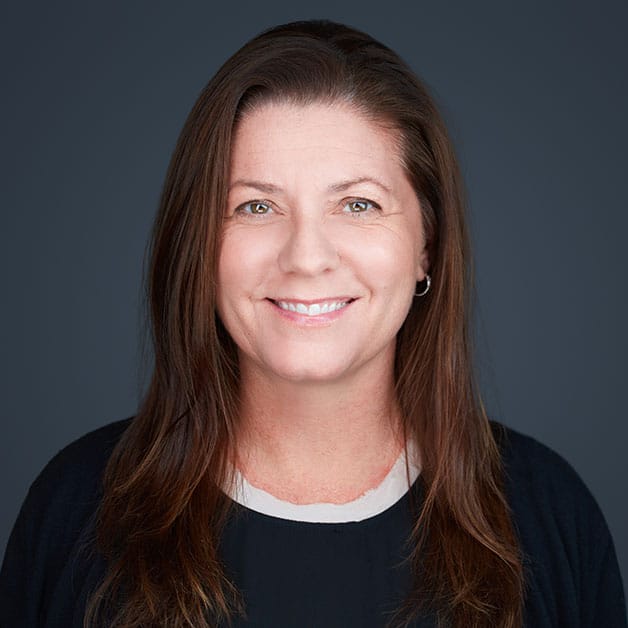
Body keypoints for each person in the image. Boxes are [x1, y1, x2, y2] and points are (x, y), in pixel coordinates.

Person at [0, 19, 625, 628]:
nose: (305, 257)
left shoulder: (547, 517)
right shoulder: (77, 510)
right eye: (257, 205)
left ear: (426, 245)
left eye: (358, 204)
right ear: (200, 243)